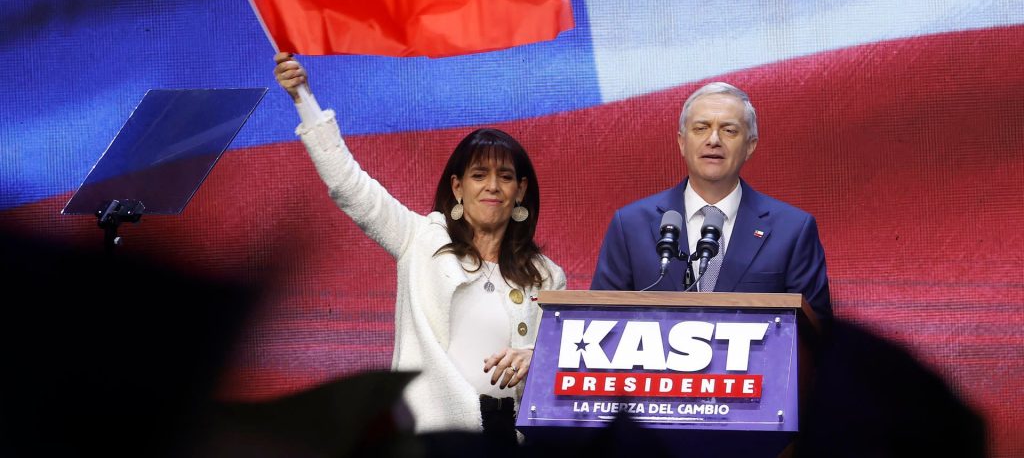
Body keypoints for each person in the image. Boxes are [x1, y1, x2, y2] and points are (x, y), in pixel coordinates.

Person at [273, 52, 566, 443]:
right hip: (429, 438)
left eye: (506, 176)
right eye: (479, 175)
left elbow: (564, 374)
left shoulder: (546, 276)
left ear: (521, 190)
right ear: (457, 187)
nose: (492, 186)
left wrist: (537, 359)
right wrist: (303, 98)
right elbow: (349, 185)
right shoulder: (419, 239)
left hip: (507, 440)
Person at [590, 82, 831, 319]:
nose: (713, 139)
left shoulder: (792, 230)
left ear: (750, 146)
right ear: (682, 142)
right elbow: (598, 321)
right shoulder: (630, 225)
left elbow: (816, 332)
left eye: (729, 130)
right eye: (701, 128)